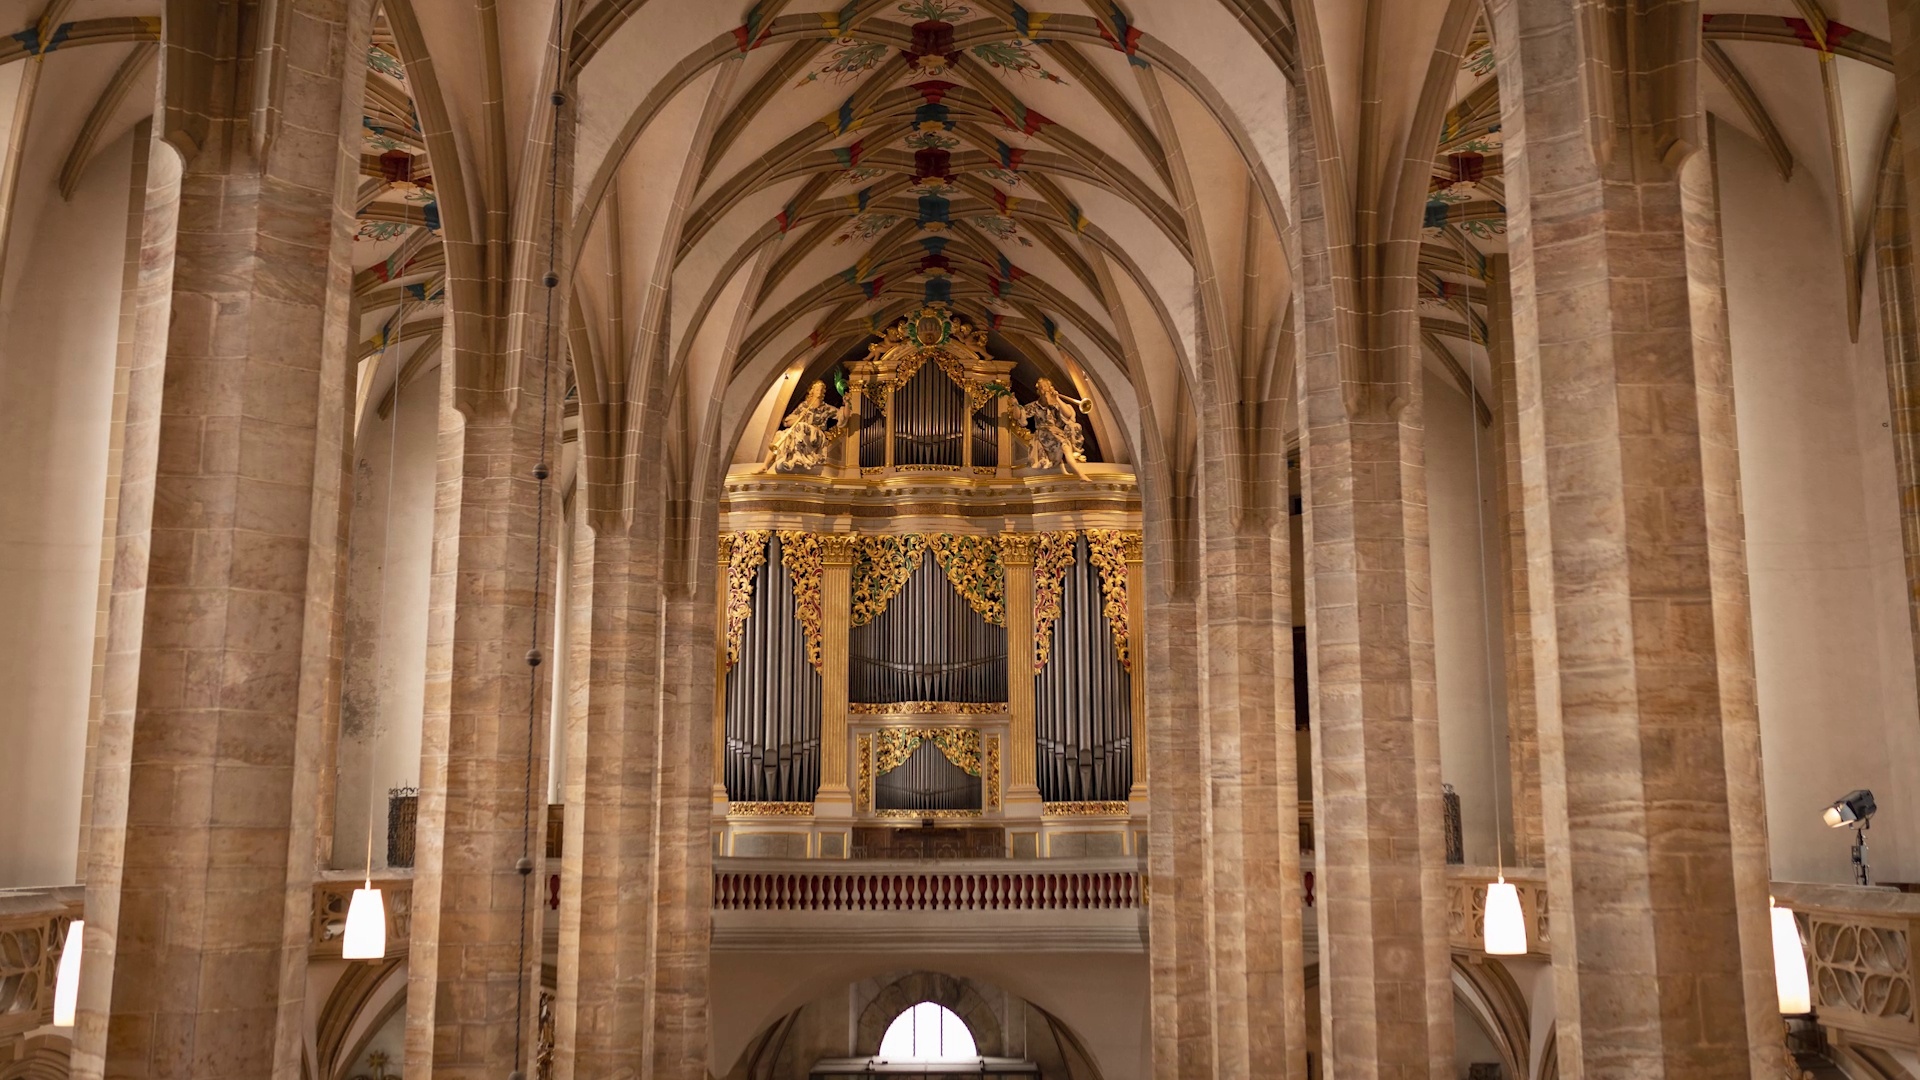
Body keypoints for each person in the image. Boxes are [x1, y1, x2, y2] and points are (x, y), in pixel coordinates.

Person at [1007, 377, 1087, 476]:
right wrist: (1015, 404)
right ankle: (1079, 473)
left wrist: (1057, 399)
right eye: (1041, 387)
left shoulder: (1056, 403)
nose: (1043, 389)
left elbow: (1068, 415)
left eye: (1045, 386)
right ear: (1038, 391)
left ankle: (1075, 457)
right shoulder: (1035, 406)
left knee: (1075, 426)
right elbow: (1018, 416)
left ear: (1050, 388)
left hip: (1058, 431)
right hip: (1045, 432)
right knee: (1064, 444)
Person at [764, 380, 849, 472]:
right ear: (812, 391)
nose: (819, 392)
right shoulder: (804, 405)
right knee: (779, 434)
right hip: (800, 431)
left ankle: (798, 459)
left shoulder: (826, 408)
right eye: (817, 390)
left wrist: (847, 403)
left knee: (802, 426)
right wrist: (799, 417)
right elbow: (787, 422)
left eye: (821, 390)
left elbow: (843, 416)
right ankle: (765, 464)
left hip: (816, 435)